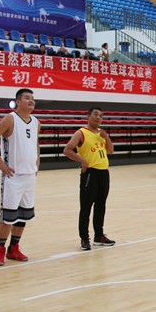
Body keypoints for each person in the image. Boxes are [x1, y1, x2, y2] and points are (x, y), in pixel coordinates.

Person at [0, 88, 40, 267]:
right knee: (7, 216)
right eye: (27, 98)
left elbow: (35, 143)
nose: (31, 101)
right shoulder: (10, 118)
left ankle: (13, 248)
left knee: (23, 215)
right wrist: (0, 163)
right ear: (18, 102)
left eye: (32, 98)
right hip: (12, 177)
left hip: (30, 176)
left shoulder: (36, 122)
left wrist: (37, 162)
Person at [62, 107, 116, 251]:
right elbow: (67, 150)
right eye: (96, 115)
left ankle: (99, 236)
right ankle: (84, 238)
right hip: (90, 173)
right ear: (88, 116)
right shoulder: (81, 132)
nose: (99, 118)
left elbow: (110, 151)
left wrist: (106, 137)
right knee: (86, 207)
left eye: (101, 116)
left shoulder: (101, 134)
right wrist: (82, 160)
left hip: (104, 173)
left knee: (101, 206)